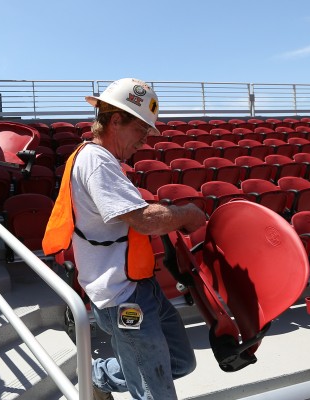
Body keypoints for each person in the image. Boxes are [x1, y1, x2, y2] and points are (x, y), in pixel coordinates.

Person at [43, 78, 206, 400]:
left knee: (180, 362)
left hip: (141, 286)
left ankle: (99, 376)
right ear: (115, 120)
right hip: (123, 298)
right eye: (140, 130)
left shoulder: (102, 160)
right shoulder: (97, 160)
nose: (144, 141)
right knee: (155, 391)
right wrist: (187, 213)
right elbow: (144, 221)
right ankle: (103, 377)